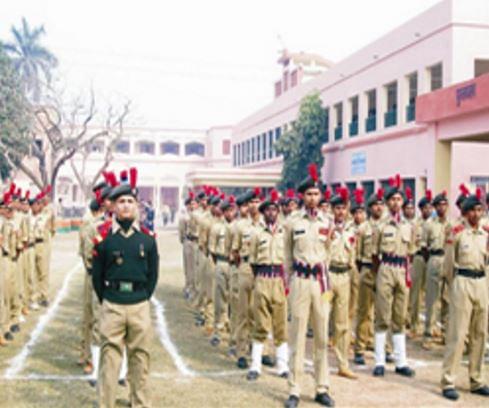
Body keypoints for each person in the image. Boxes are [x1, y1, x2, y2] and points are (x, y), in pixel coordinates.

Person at [92, 167, 159, 408]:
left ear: (137, 205)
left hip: (139, 304)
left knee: (140, 358)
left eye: (130, 201)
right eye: (121, 201)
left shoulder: (148, 239)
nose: (126, 206)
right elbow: (97, 277)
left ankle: (139, 403)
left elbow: (153, 276)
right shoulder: (104, 240)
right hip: (113, 304)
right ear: (114, 207)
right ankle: (106, 404)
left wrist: (142, 296)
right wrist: (109, 297)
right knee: (109, 359)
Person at [284, 164, 334, 408]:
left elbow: (329, 253)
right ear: (302, 196)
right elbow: (287, 255)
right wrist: (289, 283)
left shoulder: (328, 221)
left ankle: (321, 387)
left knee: (322, 336)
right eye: (309, 194)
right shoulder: (292, 221)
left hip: (322, 283)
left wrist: (325, 277)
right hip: (301, 282)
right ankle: (294, 389)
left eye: (316, 194)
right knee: (298, 336)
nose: (313, 198)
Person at [441, 189, 489, 401]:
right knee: (458, 334)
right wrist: (454, 287)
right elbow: (448, 265)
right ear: (466, 212)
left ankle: (476, 379)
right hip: (462, 281)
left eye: (480, 210)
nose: (477, 214)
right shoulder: (457, 233)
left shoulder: (485, 234)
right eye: (473, 210)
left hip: (481, 281)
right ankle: (448, 381)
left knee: (480, 333)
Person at [371, 175, 415, 378]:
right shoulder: (381, 226)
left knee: (400, 316)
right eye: (393, 199)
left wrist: (406, 272)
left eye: (399, 199)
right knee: (382, 315)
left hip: (402, 270)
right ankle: (379, 360)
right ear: (387, 203)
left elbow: (411, 252)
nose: (396, 203)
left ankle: (401, 361)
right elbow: (374, 254)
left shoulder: (409, 226)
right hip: (386, 268)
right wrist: (379, 274)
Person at [247, 190, 289, 381]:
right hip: (262, 278)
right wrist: (260, 278)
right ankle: (255, 365)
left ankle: (282, 366)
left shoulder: (285, 232)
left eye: (274, 210)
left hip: (279, 279)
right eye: (268, 210)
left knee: (280, 324)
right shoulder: (257, 234)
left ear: (278, 212)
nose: (271, 213)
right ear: (263, 213)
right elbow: (253, 261)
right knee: (260, 323)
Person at [354, 188, 386, 365]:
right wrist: (365, 269)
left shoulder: (389, 226)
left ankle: (381, 346)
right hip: (367, 270)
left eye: (381, 204)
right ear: (370, 207)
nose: (378, 208)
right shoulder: (362, 228)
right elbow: (357, 255)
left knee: (383, 311)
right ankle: (360, 347)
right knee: (364, 311)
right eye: (375, 205)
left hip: (384, 271)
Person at [329, 188, 358, 380]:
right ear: (332, 209)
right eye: (337, 208)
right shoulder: (325, 228)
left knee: (342, 322)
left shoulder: (351, 230)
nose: (340, 212)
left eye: (343, 208)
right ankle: (320, 362)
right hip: (328, 276)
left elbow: (353, 253)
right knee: (323, 317)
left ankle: (343, 364)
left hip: (344, 277)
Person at [421, 191, 451, 349]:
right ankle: (428, 333)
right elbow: (424, 247)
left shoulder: (451, 224)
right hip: (434, 257)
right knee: (432, 299)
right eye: (439, 205)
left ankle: (446, 332)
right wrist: (431, 260)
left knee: (448, 299)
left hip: (448, 259)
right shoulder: (429, 224)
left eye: (444, 205)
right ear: (435, 207)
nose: (442, 208)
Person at [408, 190, 433, 338]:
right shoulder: (415, 224)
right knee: (416, 293)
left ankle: (430, 327)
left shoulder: (436, 224)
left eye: (430, 207)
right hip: (418, 258)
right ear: (421, 209)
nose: (428, 210)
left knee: (431, 294)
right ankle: (414, 325)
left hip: (432, 258)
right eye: (425, 208)